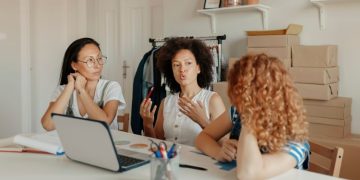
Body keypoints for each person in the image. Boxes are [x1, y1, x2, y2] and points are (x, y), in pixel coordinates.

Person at [195, 54, 310, 179]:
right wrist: (219, 152)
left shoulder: (295, 140)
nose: (239, 100)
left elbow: (248, 174)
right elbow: (202, 137)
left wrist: (249, 119)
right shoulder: (237, 113)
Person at [140, 37, 226, 146]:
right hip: (170, 162)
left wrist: (203, 122)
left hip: (198, 163)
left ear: (198, 68)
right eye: (176, 65)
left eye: (188, 63)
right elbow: (157, 145)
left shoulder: (212, 100)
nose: (182, 69)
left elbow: (225, 146)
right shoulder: (166, 102)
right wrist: (147, 124)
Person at [41, 37, 126, 131]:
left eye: (99, 58)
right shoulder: (62, 90)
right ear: (74, 65)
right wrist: (70, 87)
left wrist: (81, 90)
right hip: (72, 145)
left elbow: (104, 123)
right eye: (90, 60)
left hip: (105, 145)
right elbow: (48, 125)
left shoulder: (111, 87)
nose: (97, 65)